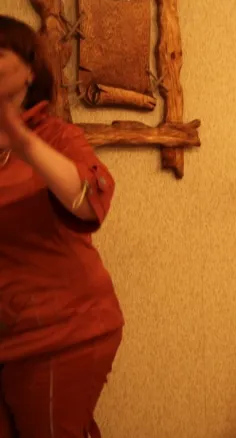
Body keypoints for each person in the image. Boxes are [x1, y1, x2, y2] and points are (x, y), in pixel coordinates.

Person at [0, 16, 123, 437]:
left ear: (29, 71)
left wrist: (23, 143)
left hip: (64, 333)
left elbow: (90, 203)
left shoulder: (55, 136)